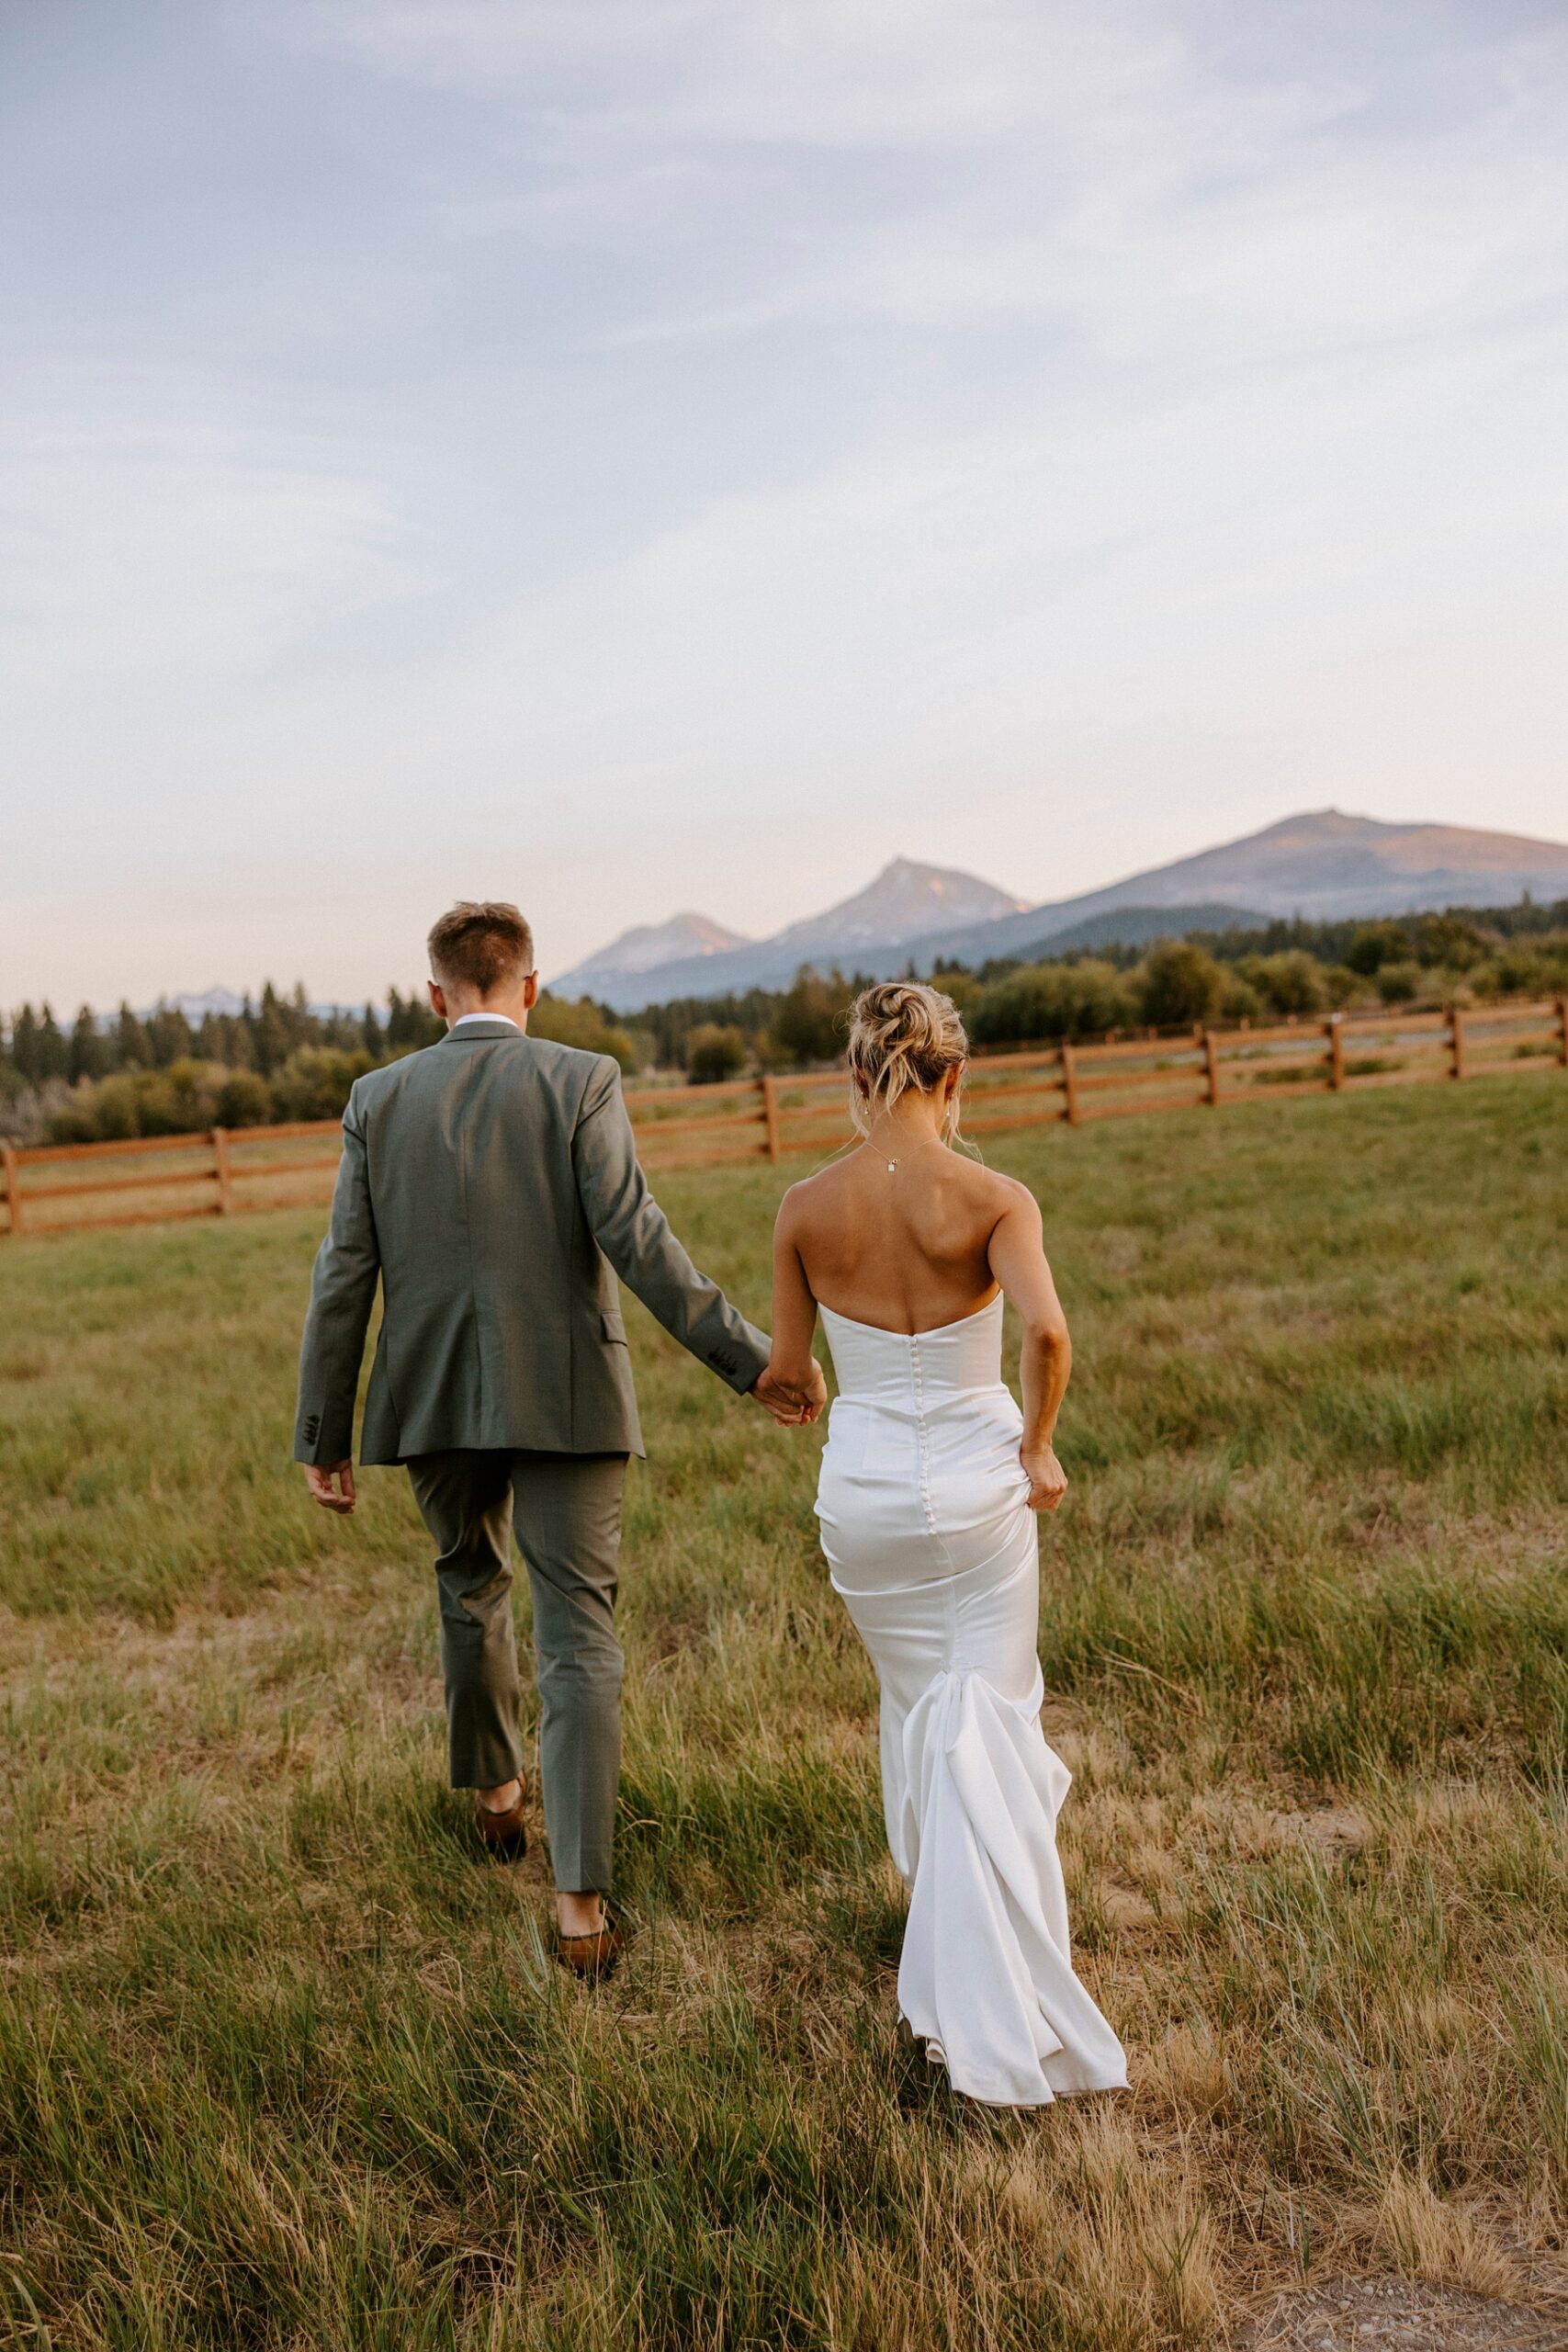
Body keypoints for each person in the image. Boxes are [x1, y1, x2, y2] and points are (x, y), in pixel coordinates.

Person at [294, 900, 824, 1978]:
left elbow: (344, 1267)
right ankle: (580, 1904)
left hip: (432, 1397)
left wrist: (324, 1425)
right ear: (529, 987)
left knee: (467, 1582)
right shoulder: (580, 1078)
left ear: (436, 994)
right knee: (579, 1631)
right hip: (571, 1394)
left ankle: (496, 1798)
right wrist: (752, 1357)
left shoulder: (376, 1099)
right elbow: (636, 1236)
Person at [765, 980, 1126, 2106]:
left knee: (924, 1710)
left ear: (854, 1078)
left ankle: (939, 1935)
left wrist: (807, 1381)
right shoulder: (994, 1196)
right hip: (977, 1492)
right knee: (992, 1714)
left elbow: (788, 1376)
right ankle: (996, 1994)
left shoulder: (802, 1208)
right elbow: (1049, 1330)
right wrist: (1043, 1450)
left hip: (864, 1505)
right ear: (953, 1077)